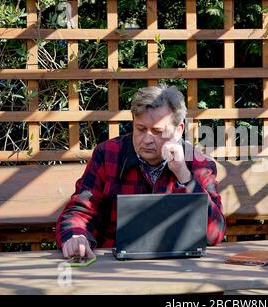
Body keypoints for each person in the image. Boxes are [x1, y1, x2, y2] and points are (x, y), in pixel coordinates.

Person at [55, 84, 226, 259]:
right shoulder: (108, 155)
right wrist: (76, 236)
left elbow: (215, 233)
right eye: (141, 129)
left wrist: (184, 175)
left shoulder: (198, 164)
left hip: (179, 265)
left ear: (179, 130)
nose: (147, 140)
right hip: (114, 263)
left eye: (158, 131)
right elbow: (80, 211)